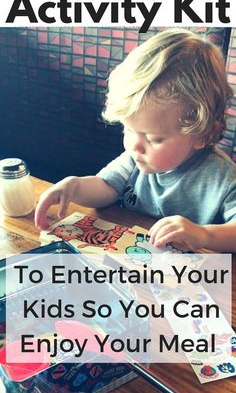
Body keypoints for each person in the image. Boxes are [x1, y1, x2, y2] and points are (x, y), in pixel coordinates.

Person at [35, 28, 236, 252]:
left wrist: (204, 234)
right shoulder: (135, 158)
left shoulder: (224, 178)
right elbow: (105, 188)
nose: (134, 146)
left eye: (154, 139)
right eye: (128, 130)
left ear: (203, 134)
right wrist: (75, 187)